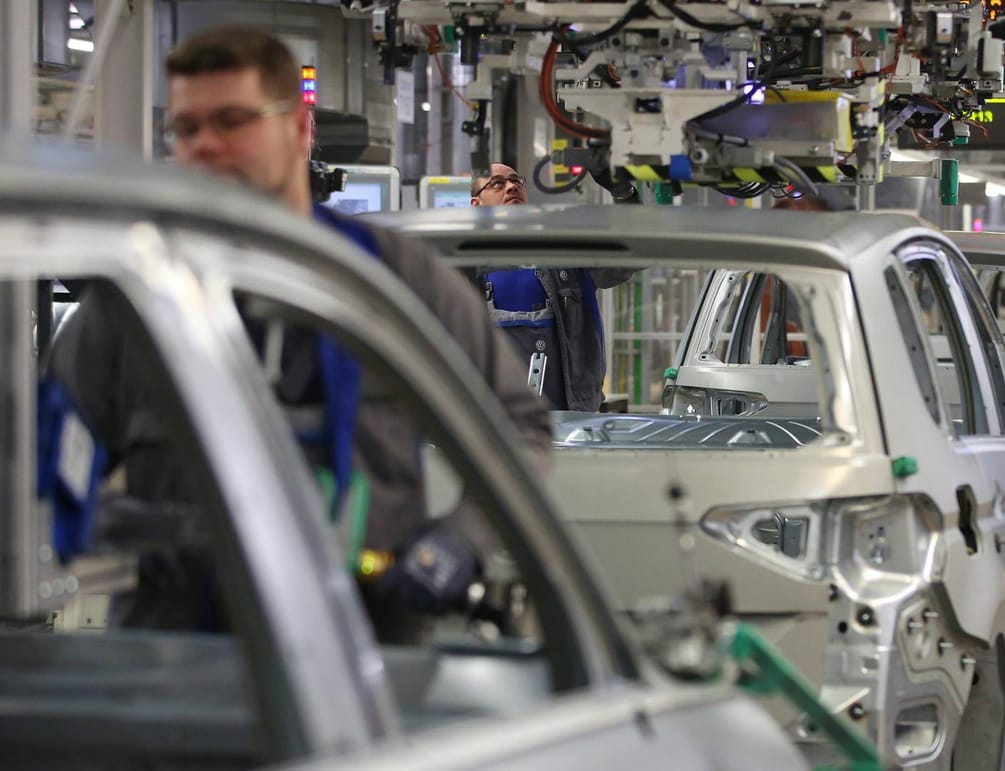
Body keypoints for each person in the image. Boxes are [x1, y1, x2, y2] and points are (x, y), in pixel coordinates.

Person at [45, 27, 550, 641]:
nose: (206, 146)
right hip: (179, 660)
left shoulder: (395, 277)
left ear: (298, 129)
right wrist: (96, 517)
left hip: (370, 650)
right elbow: (49, 447)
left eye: (232, 120)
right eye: (187, 129)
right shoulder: (137, 295)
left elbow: (518, 427)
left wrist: (461, 539)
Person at [469, 163, 635, 411]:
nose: (512, 186)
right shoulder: (463, 269)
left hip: (572, 425)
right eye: (497, 183)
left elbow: (631, 257)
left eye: (516, 181)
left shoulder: (566, 253)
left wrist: (625, 194)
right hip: (489, 424)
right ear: (476, 205)